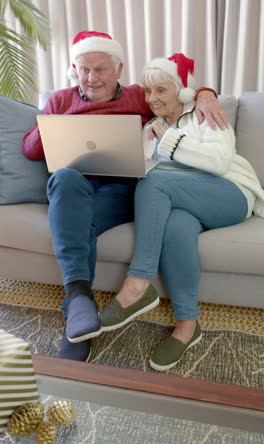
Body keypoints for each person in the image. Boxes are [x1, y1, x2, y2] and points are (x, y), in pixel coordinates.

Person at [23, 31, 229, 362]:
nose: (91, 79)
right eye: (84, 70)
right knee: (64, 179)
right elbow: (31, 149)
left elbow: (180, 95)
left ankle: (76, 315)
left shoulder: (136, 95)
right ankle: (79, 301)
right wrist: (56, 121)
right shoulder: (62, 99)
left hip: (121, 191)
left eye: (100, 69)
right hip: (74, 189)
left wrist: (206, 93)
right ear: (74, 69)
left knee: (78, 222)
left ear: (118, 69)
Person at [99, 53, 264, 372]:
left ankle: (137, 283)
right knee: (174, 227)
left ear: (181, 90)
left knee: (157, 180)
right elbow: (148, 179)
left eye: (161, 90)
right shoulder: (150, 128)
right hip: (185, 204)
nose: (152, 98)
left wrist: (168, 139)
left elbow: (218, 163)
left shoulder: (205, 113)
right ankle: (188, 326)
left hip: (229, 194)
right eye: (149, 92)